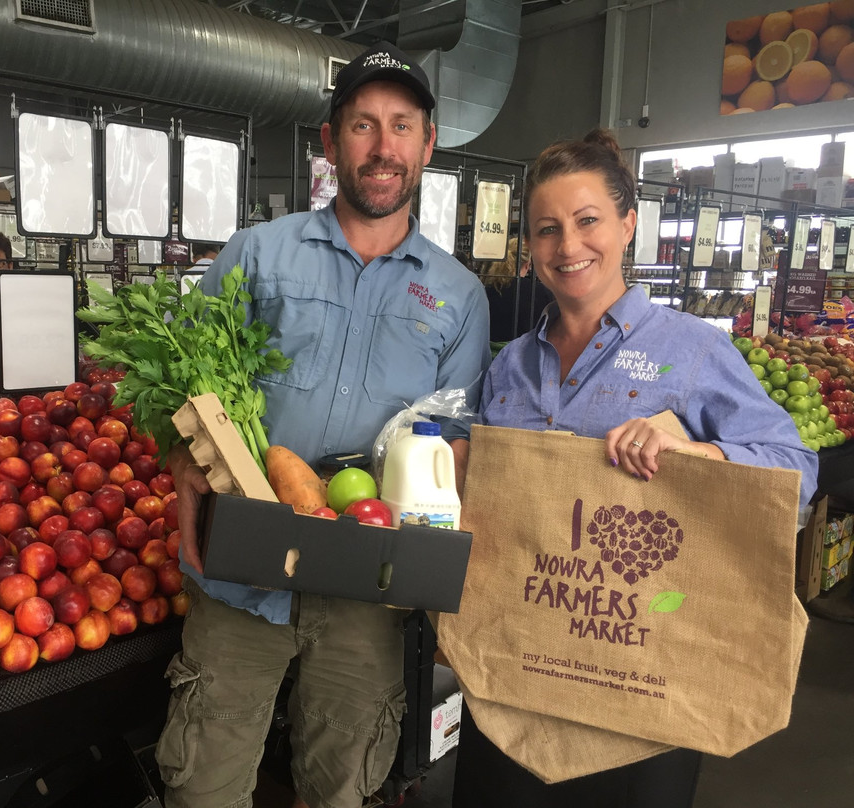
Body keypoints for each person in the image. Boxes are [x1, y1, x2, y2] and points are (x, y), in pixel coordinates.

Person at [155, 41, 491, 808]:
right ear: (330, 141)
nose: (383, 146)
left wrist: (428, 578)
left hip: (368, 587)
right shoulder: (258, 254)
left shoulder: (458, 294)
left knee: (343, 786)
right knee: (204, 784)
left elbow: (457, 449)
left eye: (402, 126)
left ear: (428, 145)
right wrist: (185, 527)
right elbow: (187, 407)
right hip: (240, 572)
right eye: (364, 125)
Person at [452, 128, 818, 808]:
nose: (569, 247)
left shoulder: (693, 351)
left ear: (627, 225)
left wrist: (697, 454)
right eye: (547, 230)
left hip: (643, 683)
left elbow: (793, 469)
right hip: (517, 669)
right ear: (529, 249)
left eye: (588, 221)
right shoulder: (509, 366)